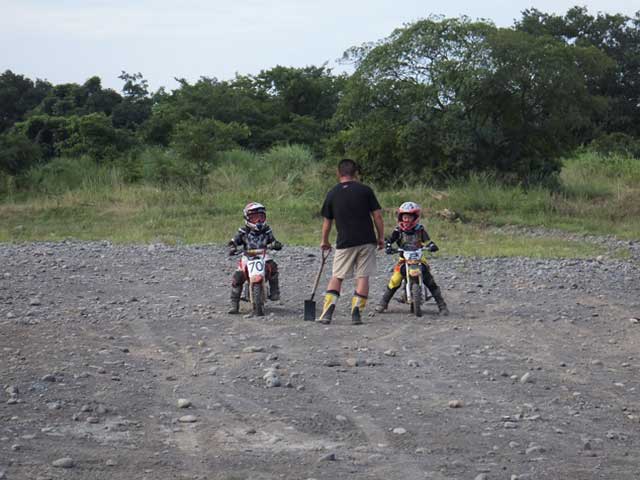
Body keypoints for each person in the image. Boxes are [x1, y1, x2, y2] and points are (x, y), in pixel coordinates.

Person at [318, 159, 384, 325]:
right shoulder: (366, 190)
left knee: (337, 276)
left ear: (338, 173)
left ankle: (327, 312)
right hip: (367, 240)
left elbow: (327, 222)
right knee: (363, 277)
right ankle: (356, 313)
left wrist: (324, 241)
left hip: (345, 241)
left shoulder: (332, 193)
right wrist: (381, 237)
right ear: (356, 173)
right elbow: (377, 215)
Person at [375, 201, 449, 315]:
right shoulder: (398, 230)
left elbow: (428, 241)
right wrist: (388, 246)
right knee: (395, 279)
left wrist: (432, 246)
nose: (406, 220)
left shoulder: (420, 229)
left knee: (429, 280)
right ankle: (383, 303)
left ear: (415, 217)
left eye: (409, 217)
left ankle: (442, 306)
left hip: (419, 258)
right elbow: (389, 240)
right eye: (404, 217)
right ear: (400, 217)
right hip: (403, 259)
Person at [227, 202, 282, 314]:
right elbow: (233, 241)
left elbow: (273, 241)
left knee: (273, 267)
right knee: (237, 277)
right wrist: (233, 247)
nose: (258, 220)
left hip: (263, 254)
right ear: (247, 218)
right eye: (255, 217)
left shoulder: (267, 230)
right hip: (247, 255)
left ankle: (274, 291)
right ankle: (234, 303)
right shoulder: (243, 231)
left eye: (261, 217)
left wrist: (276, 244)